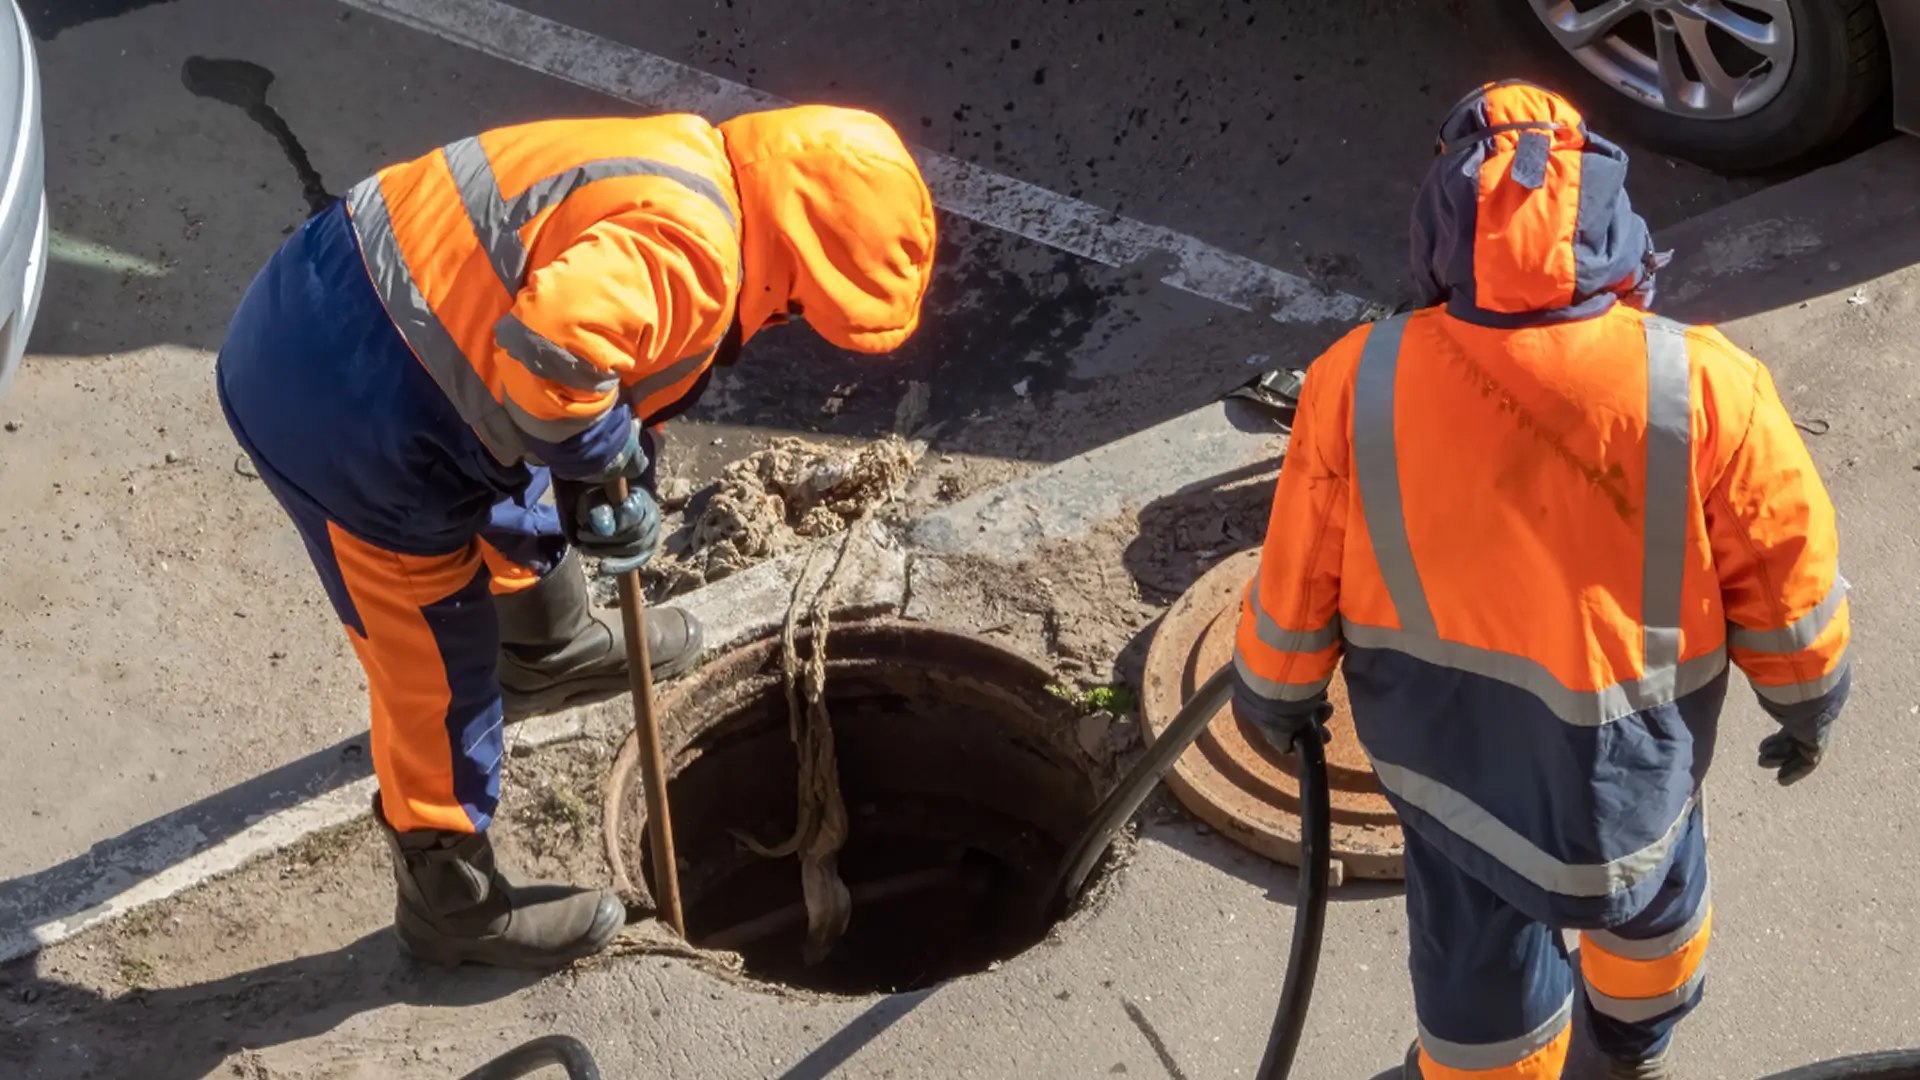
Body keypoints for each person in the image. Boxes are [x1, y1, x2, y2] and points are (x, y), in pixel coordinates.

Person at [217, 105, 936, 969]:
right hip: (349, 415)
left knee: (517, 484)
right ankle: (450, 900)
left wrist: (611, 467)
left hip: (337, 305)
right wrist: (601, 461)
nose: (787, 324)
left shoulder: (684, 156)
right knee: (434, 672)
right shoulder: (700, 253)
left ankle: (547, 649)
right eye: (801, 309)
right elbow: (555, 355)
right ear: (795, 259)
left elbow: (577, 343)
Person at [1232, 81, 1849, 1080]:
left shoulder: (1360, 378)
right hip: (1634, 780)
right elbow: (1785, 574)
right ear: (1615, 222)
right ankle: (1630, 1050)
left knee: (1476, 963)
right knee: (1652, 910)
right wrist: (1809, 706)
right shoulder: (1702, 382)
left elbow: (1301, 571)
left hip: (1450, 776)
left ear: (1441, 220)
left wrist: (1274, 695)